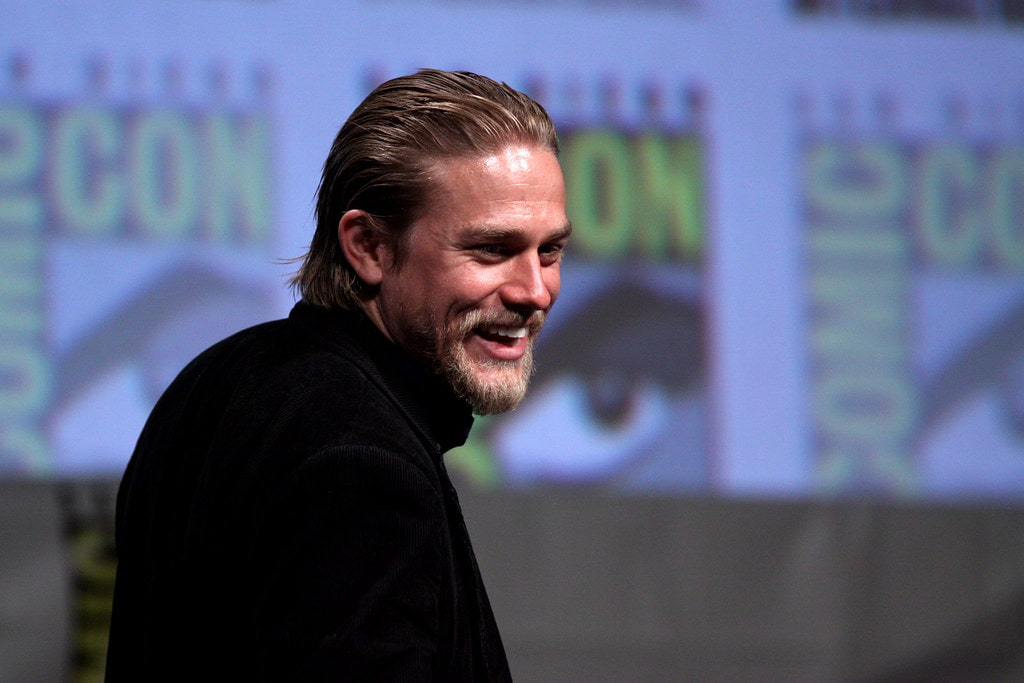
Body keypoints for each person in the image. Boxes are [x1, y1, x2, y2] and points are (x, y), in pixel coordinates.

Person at [105, 69, 571, 681]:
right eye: (490, 249)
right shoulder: (363, 464)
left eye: (550, 251)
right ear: (369, 246)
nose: (534, 291)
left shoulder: (217, 378)